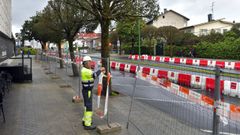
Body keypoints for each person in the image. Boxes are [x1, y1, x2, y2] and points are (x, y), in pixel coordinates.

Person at [81, 56, 105, 130]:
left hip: (86, 90)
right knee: (89, 107)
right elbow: (94, 75)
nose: (90, 64)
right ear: (85, 63)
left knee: (86, 106)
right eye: (89, 62)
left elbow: (93, 73)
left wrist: (99, 71)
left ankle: (85, 120)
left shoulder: (85, 69)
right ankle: (87, 124)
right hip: (87, 91)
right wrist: (100, 70)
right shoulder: (85, 71)